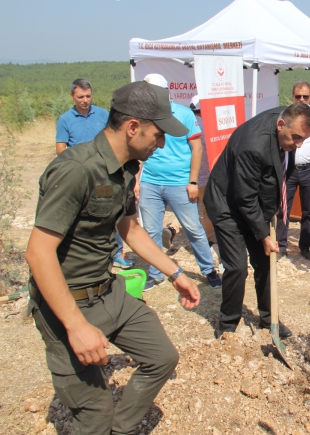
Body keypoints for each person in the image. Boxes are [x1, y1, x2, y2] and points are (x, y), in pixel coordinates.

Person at [25, 81, 201, 435]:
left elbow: (130, 228)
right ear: (133, 127)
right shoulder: (76, 169)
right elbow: (38, 252)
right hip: (67, 305)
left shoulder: (126, 168)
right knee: (95, 412)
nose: (163, 143)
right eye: (158, 134)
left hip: (108, 292)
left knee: (162, 357)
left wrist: (176, 273)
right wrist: (75, 326)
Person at [204, 103, 310, 339]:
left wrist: (272, 210)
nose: (298, 144)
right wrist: (263, 235)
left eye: (303, 139)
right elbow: (245, 198)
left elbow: (271, 178)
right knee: (236, 266)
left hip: (251, 202)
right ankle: (228, 325)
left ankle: (269, 318)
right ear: (280, 124)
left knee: (265, 262)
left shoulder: (289, 121)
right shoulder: (253, 146)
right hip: (227, 203)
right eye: (296, 138)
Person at [138, 73, 220, 290]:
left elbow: (197, 148)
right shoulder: (142, 117)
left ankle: (209, 270)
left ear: (165, 93)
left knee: (193, 228)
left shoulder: (183, 114)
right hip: (150, 182)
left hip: (179, 182)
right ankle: (155, 274)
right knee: (151, 231)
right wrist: (137, 181)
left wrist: (193, 182)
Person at [55, 79, 133, 270]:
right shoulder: (65, 119)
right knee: (83, 214)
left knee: (110, 210)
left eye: (88, 96)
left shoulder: (103, 114)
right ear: (72, 96)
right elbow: (60, 149)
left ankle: (117, 254)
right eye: (80, 97)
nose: (85, 100)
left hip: (104, 173)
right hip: (80, 176)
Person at [276, 82, 310, 261]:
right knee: (284, 209)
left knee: (308, 211)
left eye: (305, 97)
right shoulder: (285, 114)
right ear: (293, 96)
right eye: (298, 96)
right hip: (288, 169)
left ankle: (305, 247)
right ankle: (281, 246)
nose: (301, 100)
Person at [188, 95, 219, 260]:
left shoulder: (188, 125)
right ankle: (205, 240)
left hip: (191, 176)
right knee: (208, 211)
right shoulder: (209, 125)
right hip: (207, 176)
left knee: (192, 210)